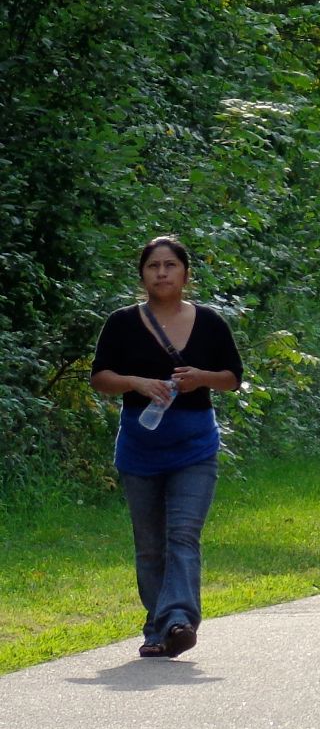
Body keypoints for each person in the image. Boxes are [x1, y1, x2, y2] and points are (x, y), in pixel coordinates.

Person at [91, 236, 243, 658]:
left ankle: (178, 619)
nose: (162, 273)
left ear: (185, 274)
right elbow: (100, 378)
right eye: (153, 266)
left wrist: (201, 378)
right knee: (150, 544)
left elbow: (233, 376)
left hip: (195, 445)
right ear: (142, 274)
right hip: (140, 448)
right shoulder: (122, 322)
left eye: (170, 265)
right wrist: (135, 382)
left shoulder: (211, 322)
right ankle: (157, 627)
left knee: (183, 534)